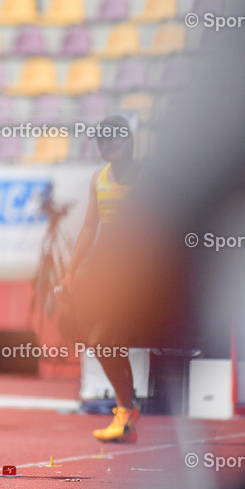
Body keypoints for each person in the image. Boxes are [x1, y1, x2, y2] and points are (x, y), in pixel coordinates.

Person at [59, 116, 142, 442]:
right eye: (102, 141)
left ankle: (127, 411)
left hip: (143, 274)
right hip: (113, 274)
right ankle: (126, 413)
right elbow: (90, 228)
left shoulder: (146, 178)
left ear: (129, 140)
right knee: (101, 341)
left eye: (113, 139)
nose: (107, 145)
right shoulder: (98, 179)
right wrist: (69, 272)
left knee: (106, 340)